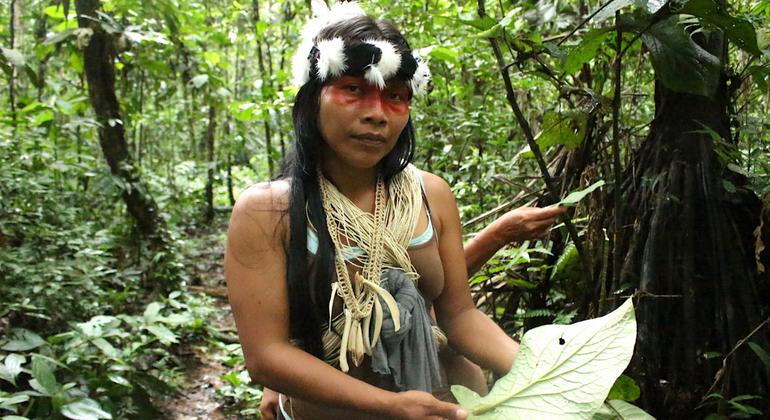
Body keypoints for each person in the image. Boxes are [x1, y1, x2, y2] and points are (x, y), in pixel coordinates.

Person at [225, 3, 565, 419]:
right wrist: (390, 405)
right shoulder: (267, 213)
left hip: (451, 404)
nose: (376, 114)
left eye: (396, 97)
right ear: (313, 99)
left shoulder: (432, 195)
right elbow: (266, 355)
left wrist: (547, 376)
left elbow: (460, 315)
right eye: (353, 89)